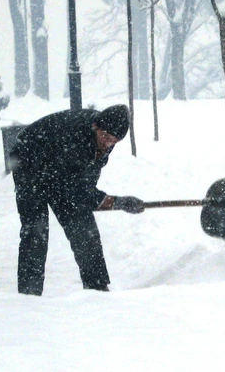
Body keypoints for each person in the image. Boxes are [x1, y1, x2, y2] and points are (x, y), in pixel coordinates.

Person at [9, 104, 143, 296]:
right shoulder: (75, 136)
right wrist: (117, 202)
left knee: (84, 226)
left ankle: (97, 287)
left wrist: (107, 200)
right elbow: (77, 191)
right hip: (29, 162)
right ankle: (29, 294)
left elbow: (85, 186)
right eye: (105, 137)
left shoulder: (105, 139)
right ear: (96, 127)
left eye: (114, 141)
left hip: (60, 171)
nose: (108, 144)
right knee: (36, 231)